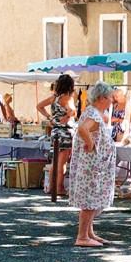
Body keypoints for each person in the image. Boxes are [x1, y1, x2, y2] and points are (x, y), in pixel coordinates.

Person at [70, 81, 114, 245]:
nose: (112, 101)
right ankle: (82, 237)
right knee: (90, 199)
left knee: (93, 198)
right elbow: (83, 129)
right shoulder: (93, 115)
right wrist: (91, 144)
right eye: (110, 97)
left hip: (94, 165)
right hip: (92, 165)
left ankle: (89, 233)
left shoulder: (93, 112)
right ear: (102, 98)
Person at [43, 73, 76, 202]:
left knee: (54, 161)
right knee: (62, 162)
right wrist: (68, 116)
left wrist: (49, 117)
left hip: (55, 131)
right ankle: (59, 187)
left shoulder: (54, 98)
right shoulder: (68, 99)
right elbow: (72, 110)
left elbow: (39, 106)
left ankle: (51, 187)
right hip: (65, 131)